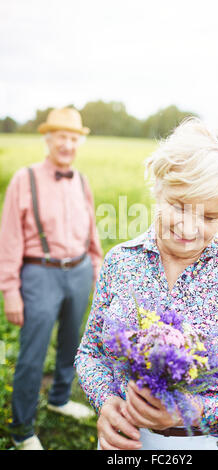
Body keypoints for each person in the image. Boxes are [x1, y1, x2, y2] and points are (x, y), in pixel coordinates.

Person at [75, 118, 218, 450]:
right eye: (178, 206)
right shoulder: (120, 262)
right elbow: (90, 354)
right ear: (158, 188)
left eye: (209, 217)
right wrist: (106, 402)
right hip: (128, 445)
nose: (190, 229)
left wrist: (193, 412)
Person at [0, 107, 103, 450]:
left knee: (73, 343)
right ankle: (22, 432)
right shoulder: (24, 178)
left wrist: (96, 265)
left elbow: (90, 230)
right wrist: (10, 290)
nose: (67, 144)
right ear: (48, 139)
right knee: (33, 353)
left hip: (78, 270)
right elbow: (10, 238)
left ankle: (60, 397)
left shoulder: (83, 181)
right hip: (39, 273)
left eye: (73, 138)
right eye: (61, 136)